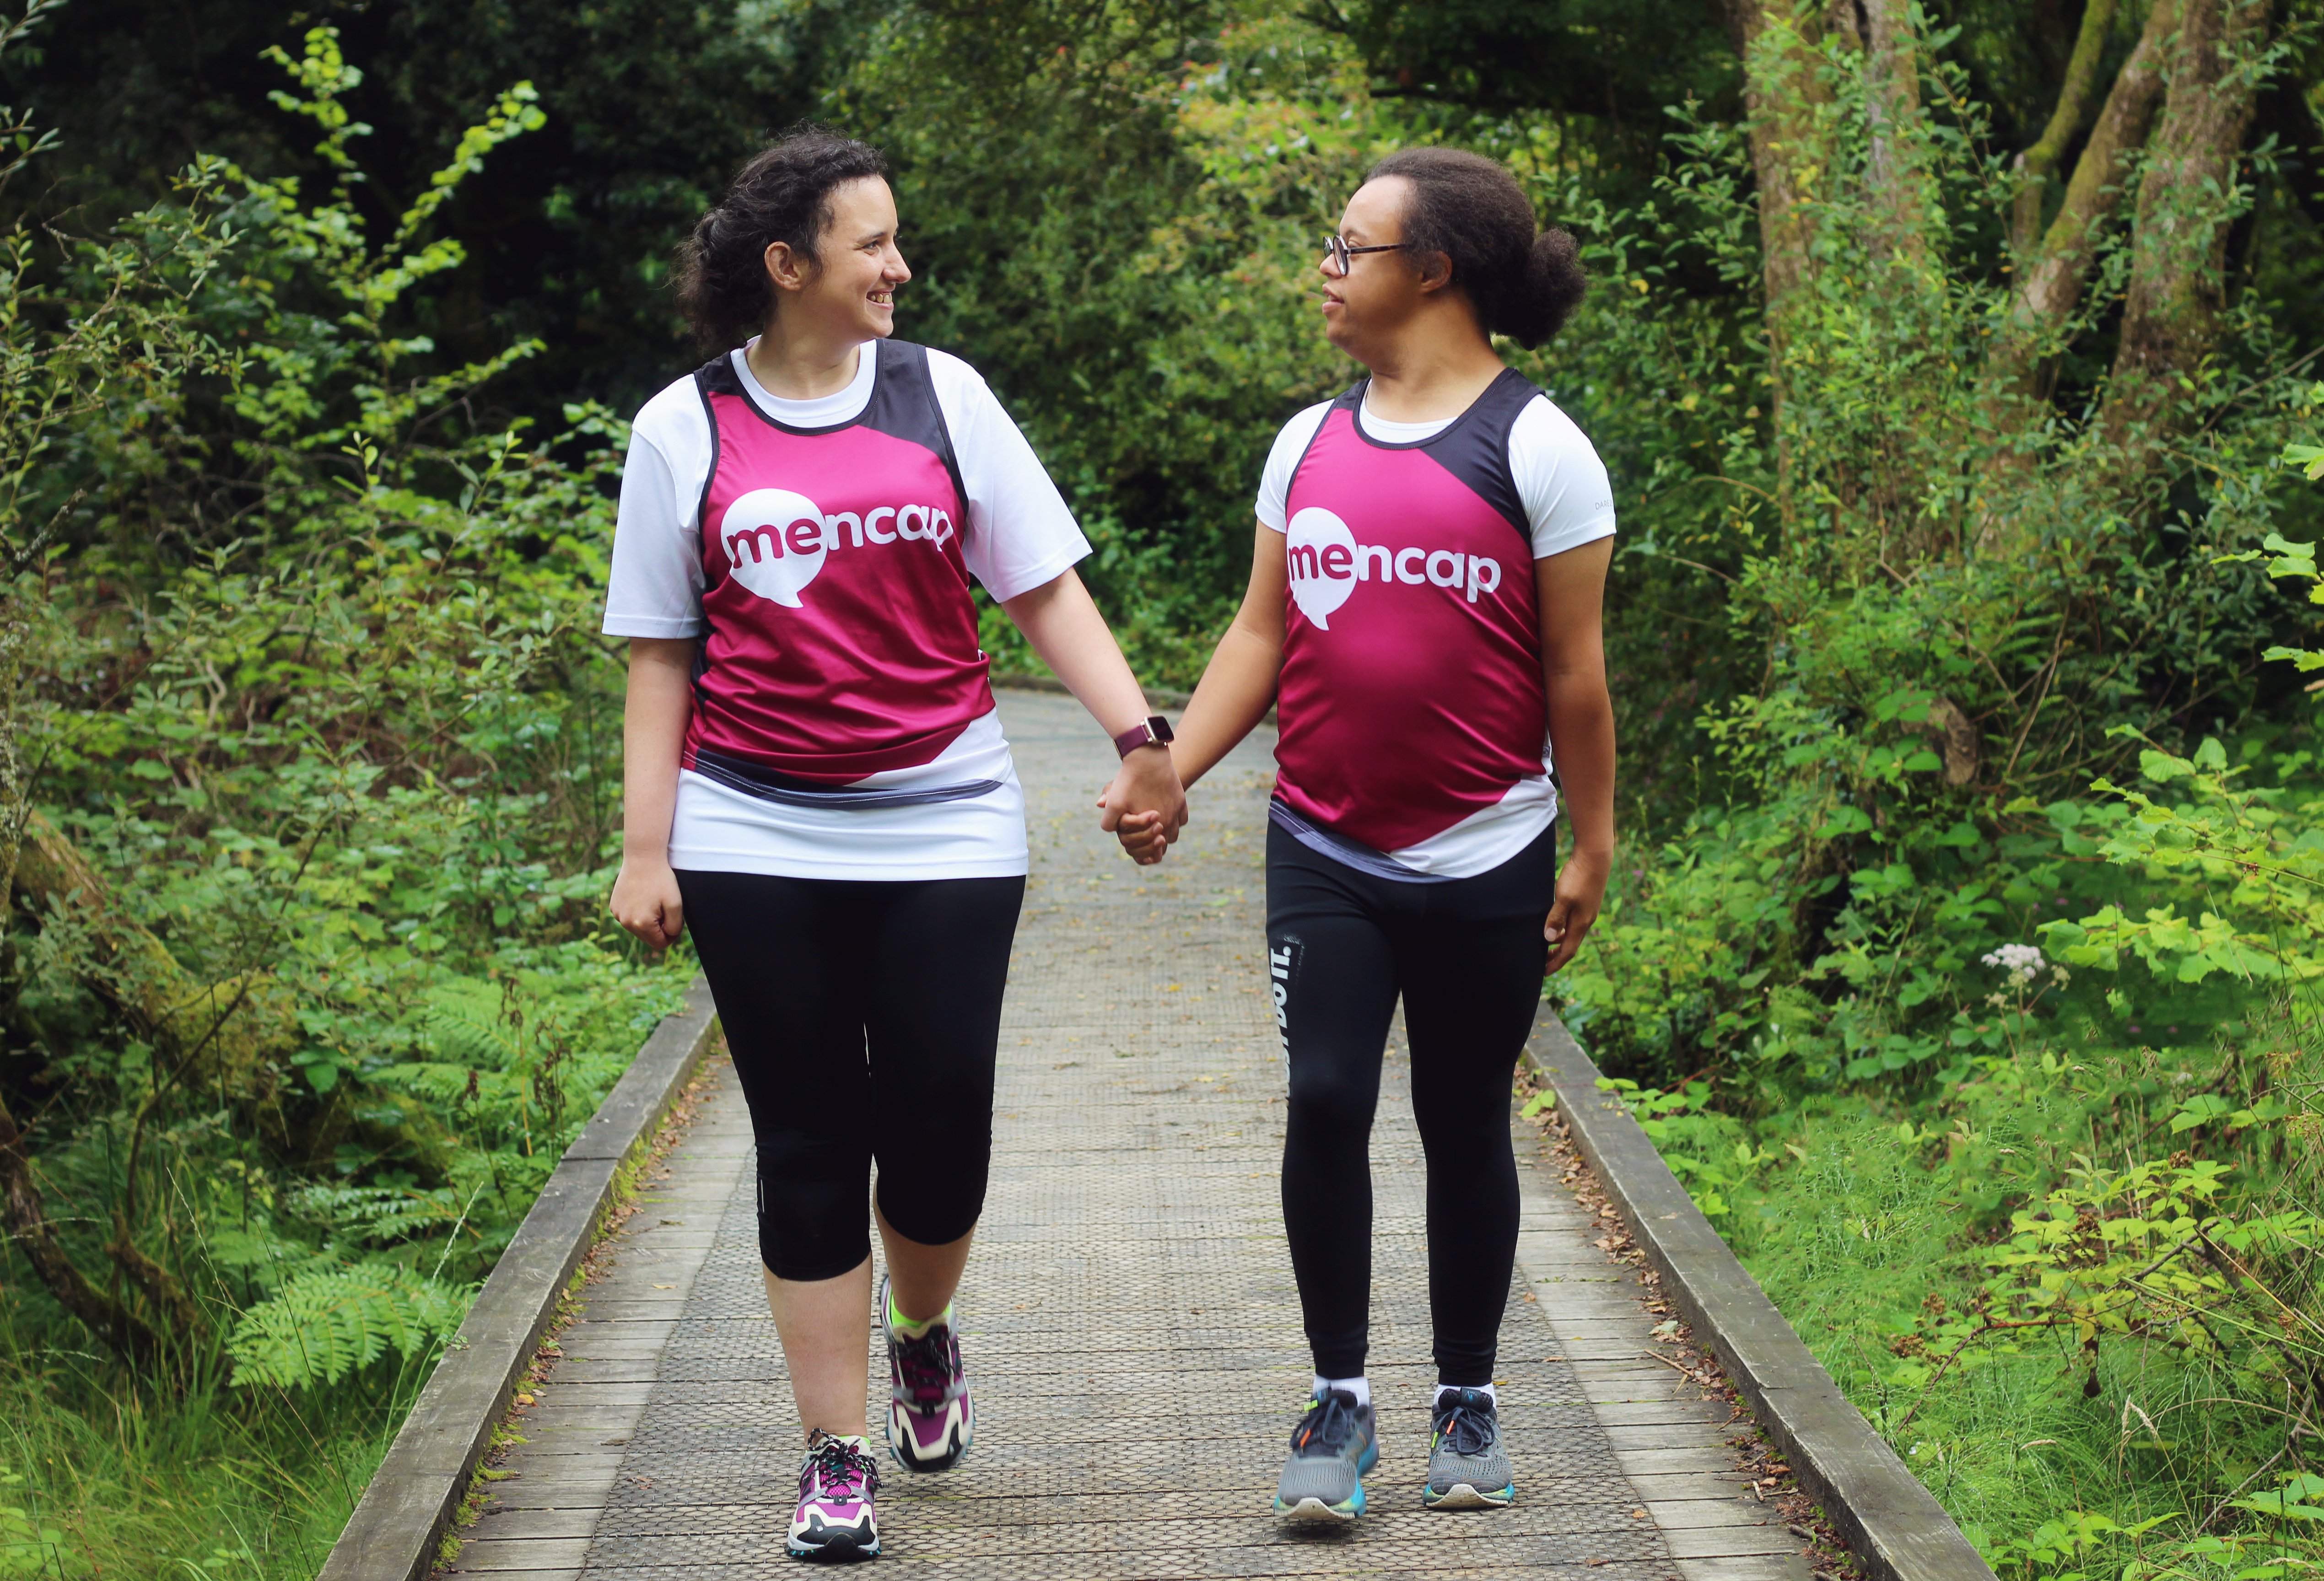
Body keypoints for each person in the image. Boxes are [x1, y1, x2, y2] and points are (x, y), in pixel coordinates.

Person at [604, 126, 1186, 1563]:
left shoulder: (943, 396)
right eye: (872, 243)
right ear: (790, 265)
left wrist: (1138, 738)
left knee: (939, 1130)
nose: (898, 266)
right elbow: (661, 657)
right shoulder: (685, 427)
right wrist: (647, 844)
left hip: (946, 815)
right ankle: (835, 1450)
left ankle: (923, 1330)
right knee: (807, 1138)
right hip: (751, 824)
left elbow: (1040, 589)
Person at [1117, 146, 1616, 1522]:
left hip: (1491, 852)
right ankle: (1339, 1402)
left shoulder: (1538, 448)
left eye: (1351, 249)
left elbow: (1575, 674)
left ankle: (1471, 1401)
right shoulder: (1309, 443)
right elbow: (1262, 632)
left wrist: (1591, 842)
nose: (1327, 272)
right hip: (1325, 846)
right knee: (1328, 1099)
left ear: (1435, 270)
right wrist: (1172, 765)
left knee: (1465, 1121)